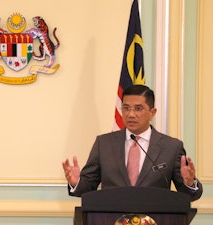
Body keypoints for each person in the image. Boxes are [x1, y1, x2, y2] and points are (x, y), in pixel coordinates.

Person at [62, 85, 203, 201]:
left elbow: (189, 195)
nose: (131, 114)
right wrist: (77, 182)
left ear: (152, 112)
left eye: (138, 108)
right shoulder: (103, 143)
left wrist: (189, 183)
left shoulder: (171, 147)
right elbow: (88, 187)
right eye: (126, 108)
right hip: (111, 219)